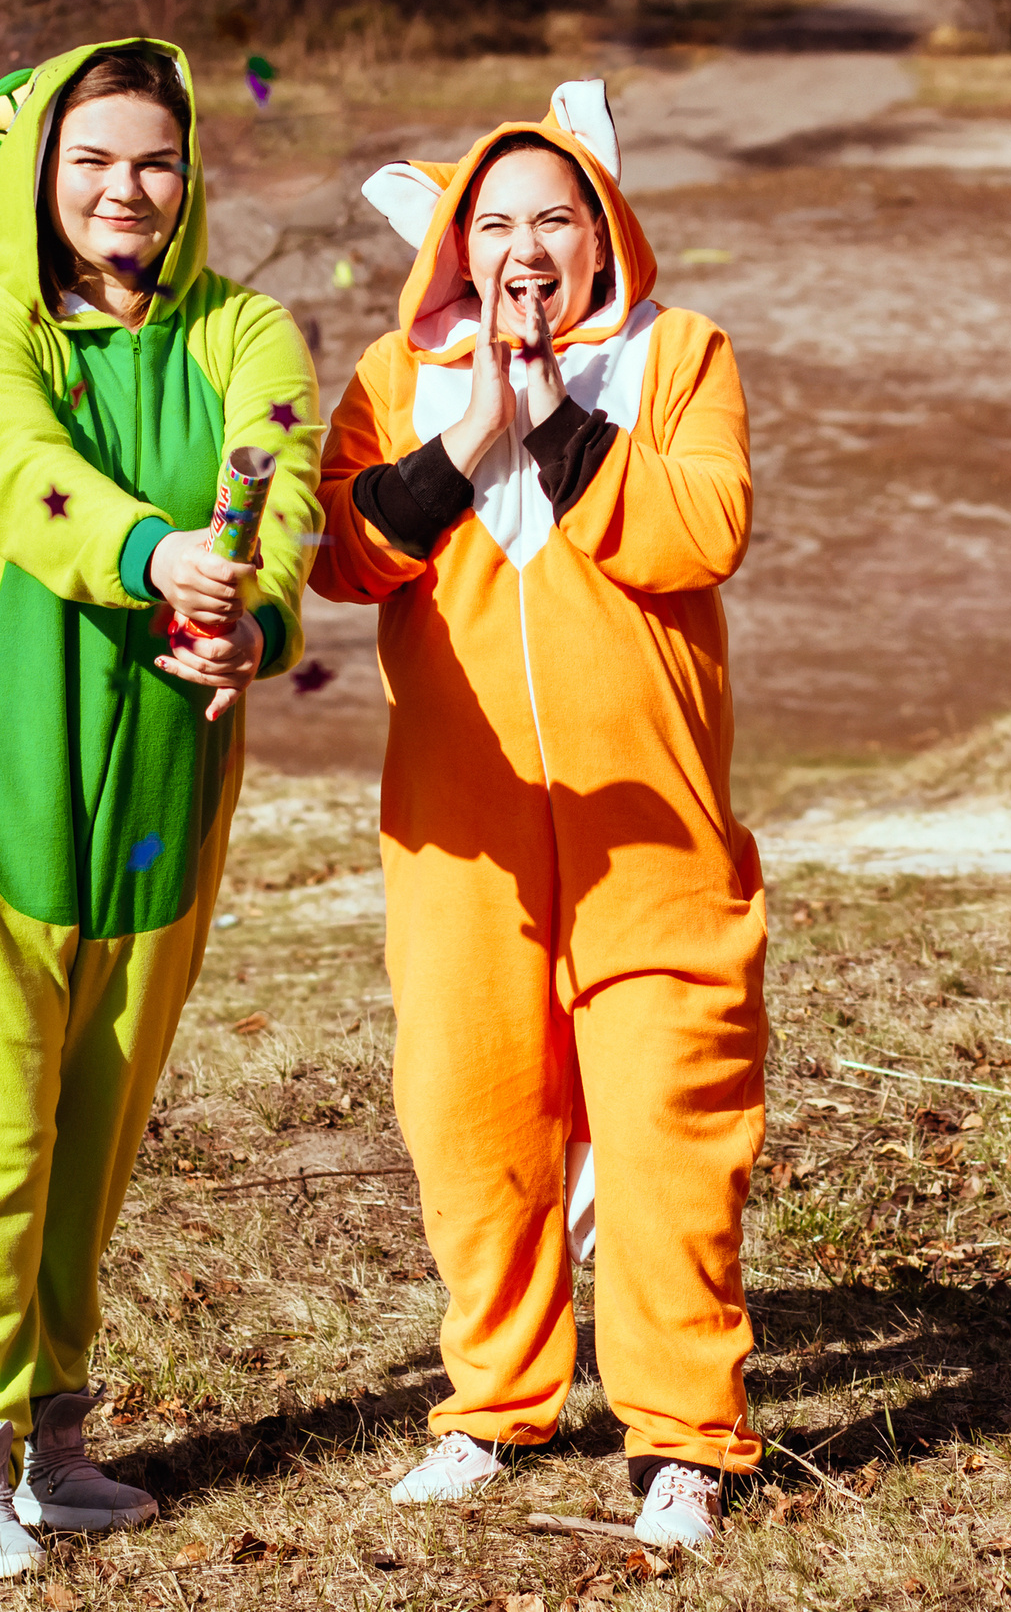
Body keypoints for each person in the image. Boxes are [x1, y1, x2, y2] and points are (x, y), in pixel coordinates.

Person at [0, 38, 322, 1580]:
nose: (127, 189)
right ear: (37, 171)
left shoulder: (245, 329)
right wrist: (157, 555)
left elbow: (282, 482)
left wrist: (257, 617)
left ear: (192, 173)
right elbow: (18, 470)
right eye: (92, 159)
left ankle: (52, 1443)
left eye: (156, 160)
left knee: (91, 1132)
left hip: (163, 799)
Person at [309, 81, 767, 1547]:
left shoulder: (681, 355)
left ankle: (684, 1436)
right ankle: (494, 1405)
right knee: (473, 1111)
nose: (524, 248)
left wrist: (559, 424)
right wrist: (468, 438)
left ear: (602, 232)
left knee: (669, 1119)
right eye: (494, 222)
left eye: (554, 219)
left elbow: (703, 532)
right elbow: (342, 555)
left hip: (659, 829)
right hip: (463, 836)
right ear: (454, 243)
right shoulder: (395, 375)